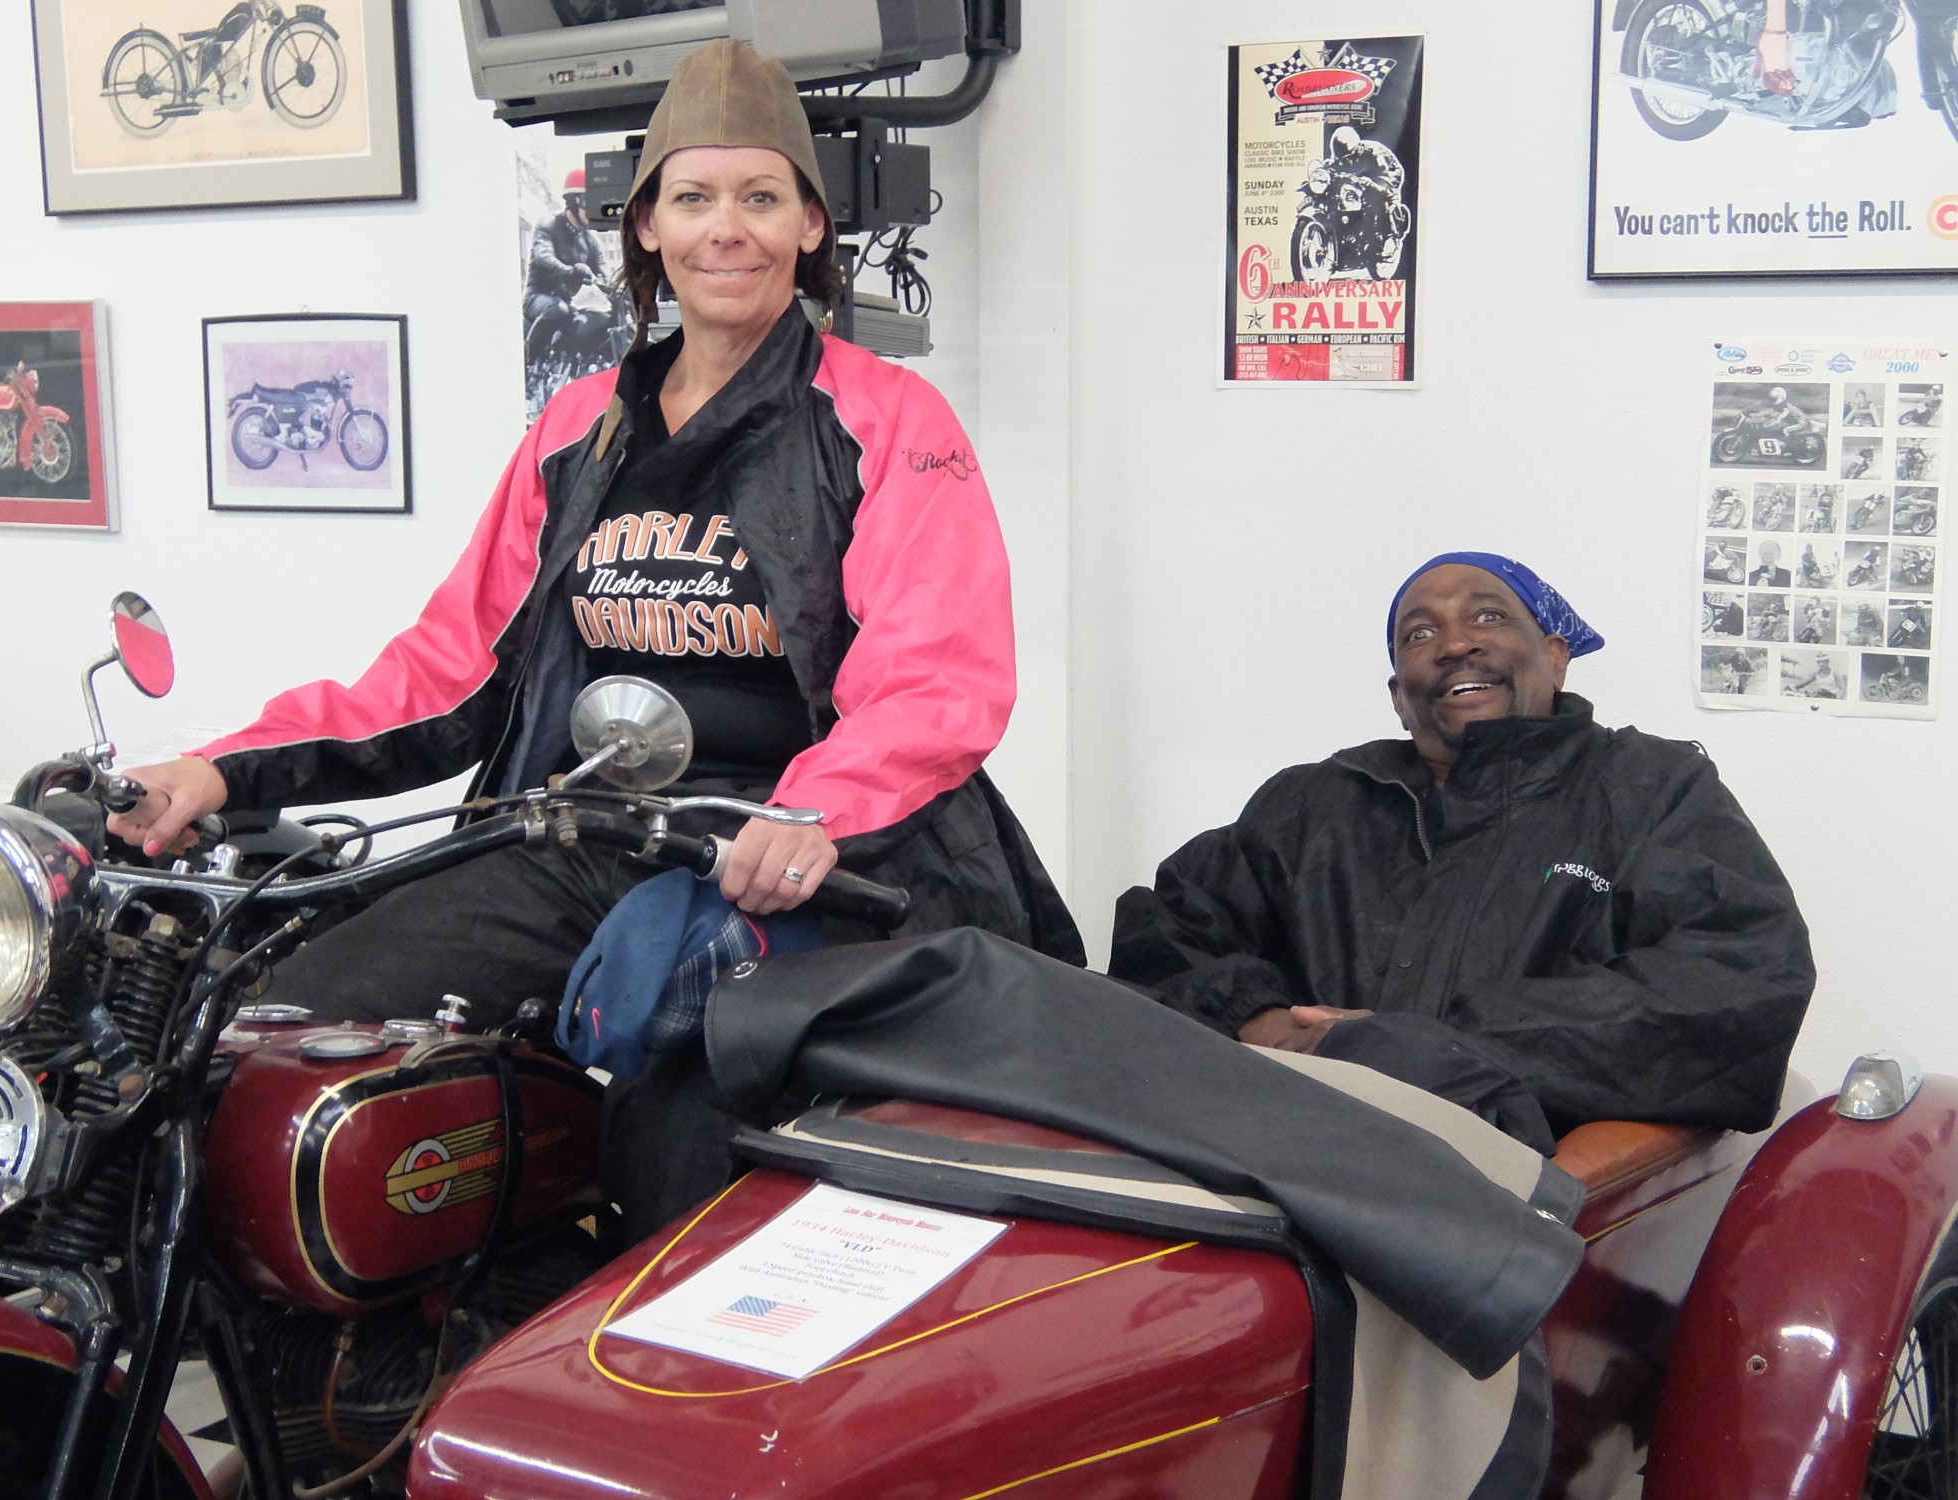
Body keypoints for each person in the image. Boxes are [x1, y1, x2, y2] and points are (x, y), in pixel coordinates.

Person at [110, 39, 1082, 1038]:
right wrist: (228, 767)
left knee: (684, 1109)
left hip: (810, 859)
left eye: (760, 197)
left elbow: (935, 678)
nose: (726, 229)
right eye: (694, 199)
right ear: (649, 224)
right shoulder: (578, 427)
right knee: (284, 1023)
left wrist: (811, 814)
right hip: (591, 836)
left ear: (809, 224)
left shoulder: (889, 417)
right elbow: (450, 670)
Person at [1109, 553, 1813, 1153]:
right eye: (1420, 634)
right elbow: (1165, 935)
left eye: (1488, 617)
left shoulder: (1650, 790)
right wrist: (1259, 1019)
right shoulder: (1314, 803)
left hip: (1520, 1188)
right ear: (1398, 695)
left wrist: (1421, 1045)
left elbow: (1738, 986)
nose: (1454, 645)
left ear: (1556, 657)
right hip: (1283, 1151)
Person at [523, 169, 607, 381]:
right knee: (558, 310)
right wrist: (570, 271)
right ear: (574, 201)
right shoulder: (548, 225)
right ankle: (525, 364)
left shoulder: (590, 239)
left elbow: (603, 268)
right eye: (588, 201)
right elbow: (544, 257)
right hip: (539, 297)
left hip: (570, 302)